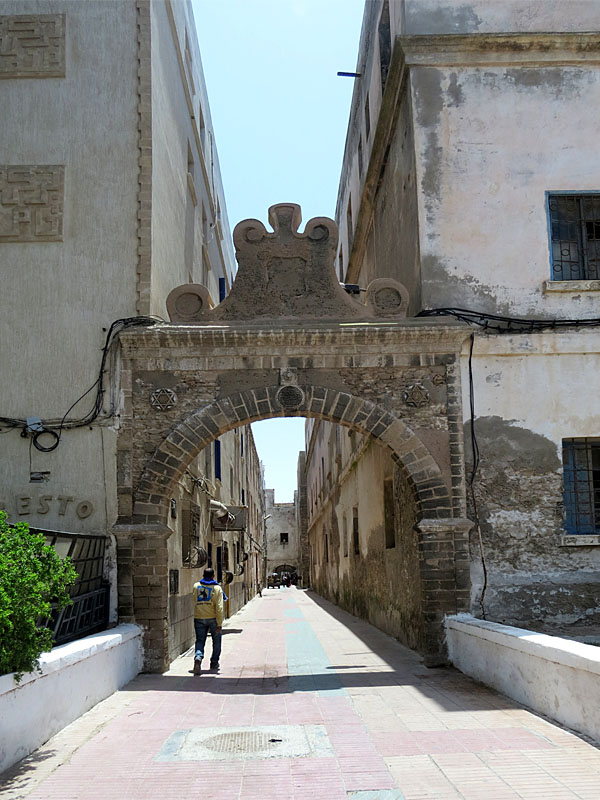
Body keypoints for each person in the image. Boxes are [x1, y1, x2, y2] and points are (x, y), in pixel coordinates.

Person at [192, 567, 225, 676]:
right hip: (213, 619)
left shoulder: (196, 586)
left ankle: (198, 657)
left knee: (200, 640)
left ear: (203, 575)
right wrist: (219, 623)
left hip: (199, 617)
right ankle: (214, 663)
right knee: (216, 641)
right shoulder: (217, 588)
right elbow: (219, 607)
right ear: (213, 576)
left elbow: (194, 600)